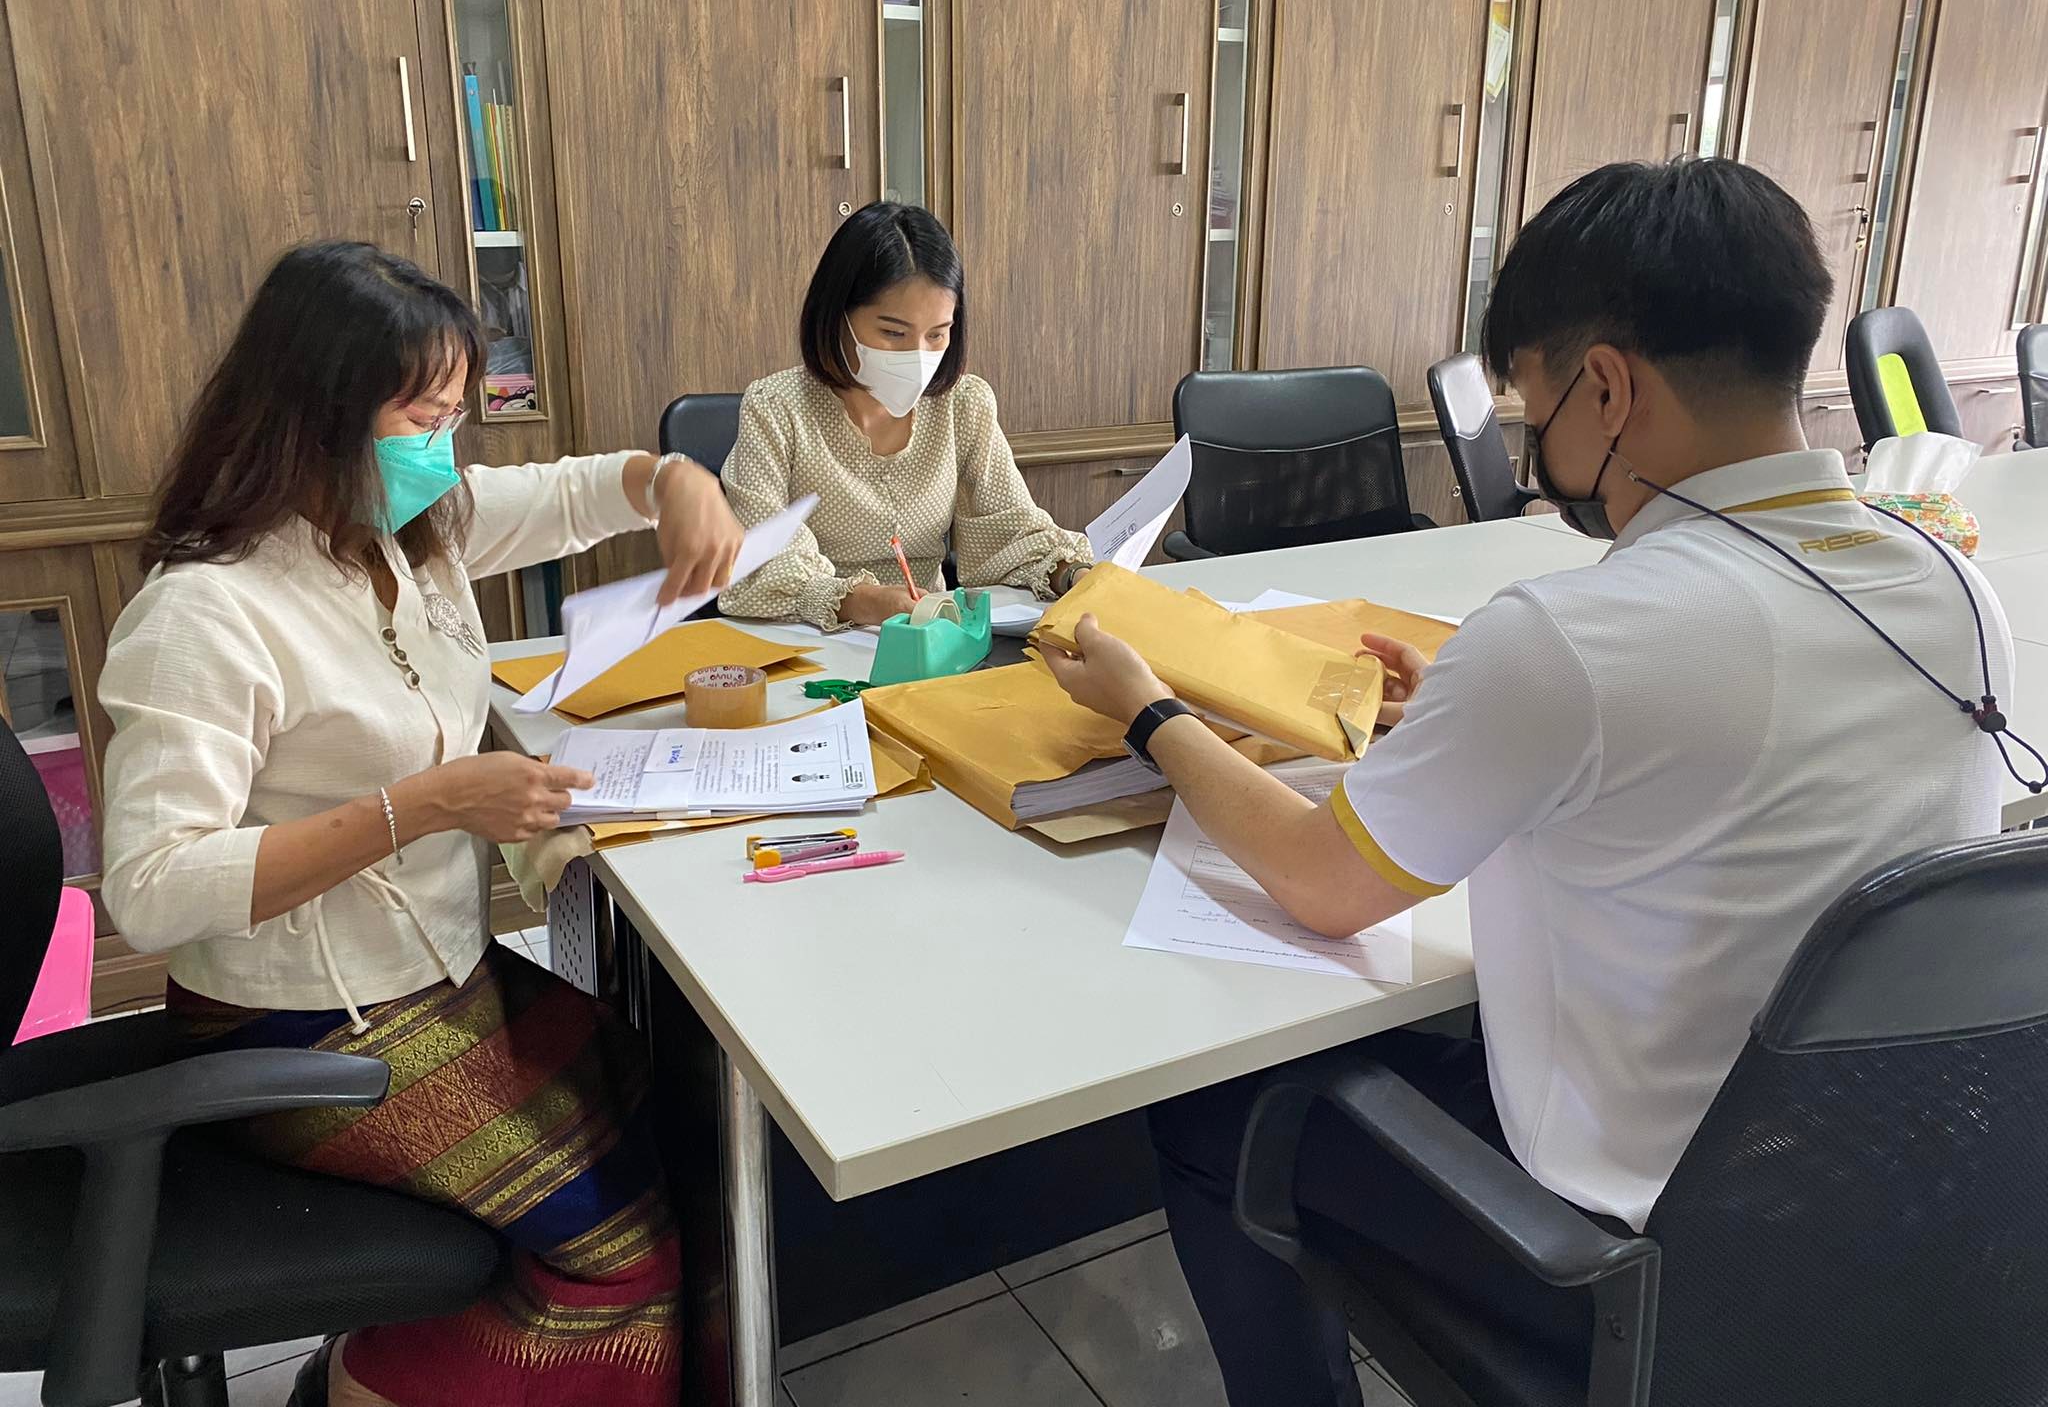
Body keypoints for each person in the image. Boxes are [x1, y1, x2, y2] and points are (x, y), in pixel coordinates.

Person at [1041, 158, 2023, 1407]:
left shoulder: (1567, 639)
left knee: (1214, 1114)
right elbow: (1719, 746)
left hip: (1630, 1268)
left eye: (1533, 407)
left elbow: (1318, 886)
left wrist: (1150, 713)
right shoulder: (1951, 587)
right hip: (1890, 1222)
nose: (1530, 443)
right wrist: (1471, 712)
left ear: (1606, 388)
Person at [98, 242, 745, 1407]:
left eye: (455, 414)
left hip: (431, 971)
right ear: (317, 411)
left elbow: (574, 494)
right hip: (298, 1024)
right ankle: (365, 1381)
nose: (443, 448)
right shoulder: (206, 612)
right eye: (420, 416)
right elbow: (151, 887)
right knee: (622, 1257)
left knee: (652, 1085)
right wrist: (426, 805)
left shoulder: (412, 534)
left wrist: (672, 480)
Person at [716, 200, 1090, 630]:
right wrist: (863, 602)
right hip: (810, 639)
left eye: (937, 334)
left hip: (928, 637)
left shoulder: (963, 404)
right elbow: (761, 559)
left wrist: (1073, 574)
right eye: (893, 332)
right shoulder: (776, 408)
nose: (917, 355)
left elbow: (1010, 532)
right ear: (837, 316)